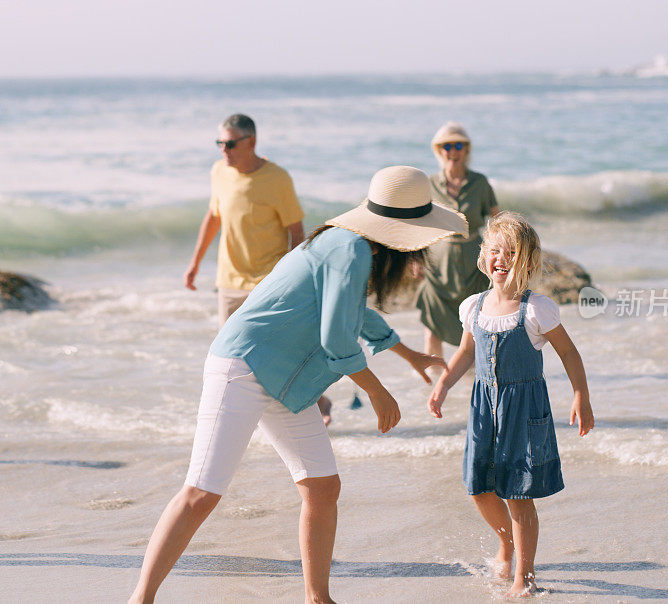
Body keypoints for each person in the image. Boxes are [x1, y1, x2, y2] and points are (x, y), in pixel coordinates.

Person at [129, 166, 468, 604]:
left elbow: (352, 314)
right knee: (201, 493)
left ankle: (317, 597)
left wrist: (408, 353)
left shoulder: (348, 243)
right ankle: (141, 598)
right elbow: (336, 338)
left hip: (284, 379)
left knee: (322, 486)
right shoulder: (349, 249)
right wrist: (376, 389)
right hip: (244, 367)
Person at [426, 212, 594, 597]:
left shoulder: (537, 310)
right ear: (484, 256)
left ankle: (527, 573)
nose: (501, 259)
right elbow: (467, 352)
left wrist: (581, 396)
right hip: (483, 406)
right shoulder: (474, 306)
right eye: (494, 251)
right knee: (478, 487)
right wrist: (443, 385)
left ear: (527, 261)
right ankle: (506, 544)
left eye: (511, 252)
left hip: (524, 410)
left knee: (519, 494)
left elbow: (569, 353)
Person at [182, 114, 333, 422]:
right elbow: (213, 217)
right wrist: (195, 262)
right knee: (231, 357)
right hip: (228, 280)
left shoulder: (277, 178)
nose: (224, 150)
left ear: (251, 142)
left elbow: (296, 231)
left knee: (278, 355)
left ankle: (318, 403)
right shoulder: (219, 172)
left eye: (230, 143)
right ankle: (241, 419)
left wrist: (297, 279)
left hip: (268, 281)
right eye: (220, 143)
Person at [416, 122, 500, 358]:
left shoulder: (480, 183)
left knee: (476, 324)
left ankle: (473, 380)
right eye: (447, 146)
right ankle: (433, 380)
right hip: (437, 264)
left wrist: (503, 253)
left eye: (458, 145)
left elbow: (497, 220)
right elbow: (420, 224)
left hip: (474, 264)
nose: (453, 151)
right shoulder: (429, 184)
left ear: (467, 149)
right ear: (439, 150)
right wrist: (414, 259)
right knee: (432, 326)